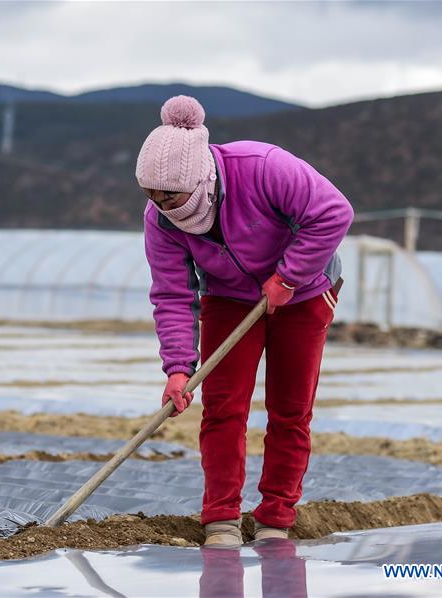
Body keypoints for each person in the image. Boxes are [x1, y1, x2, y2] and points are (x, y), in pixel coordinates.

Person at [137, 95, 354, 547]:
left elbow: (334, 213)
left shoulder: (262, 167)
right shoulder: (161, 220)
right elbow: (173, 294)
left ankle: (275, 517)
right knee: (223, 408)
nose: (161, 205)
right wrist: (177, 368)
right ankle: (221, 519)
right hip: (229, 297)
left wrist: (289, 276)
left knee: (290, 409)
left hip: (304, 293)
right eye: (150, 196)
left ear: (199, 180)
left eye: (169, 196)